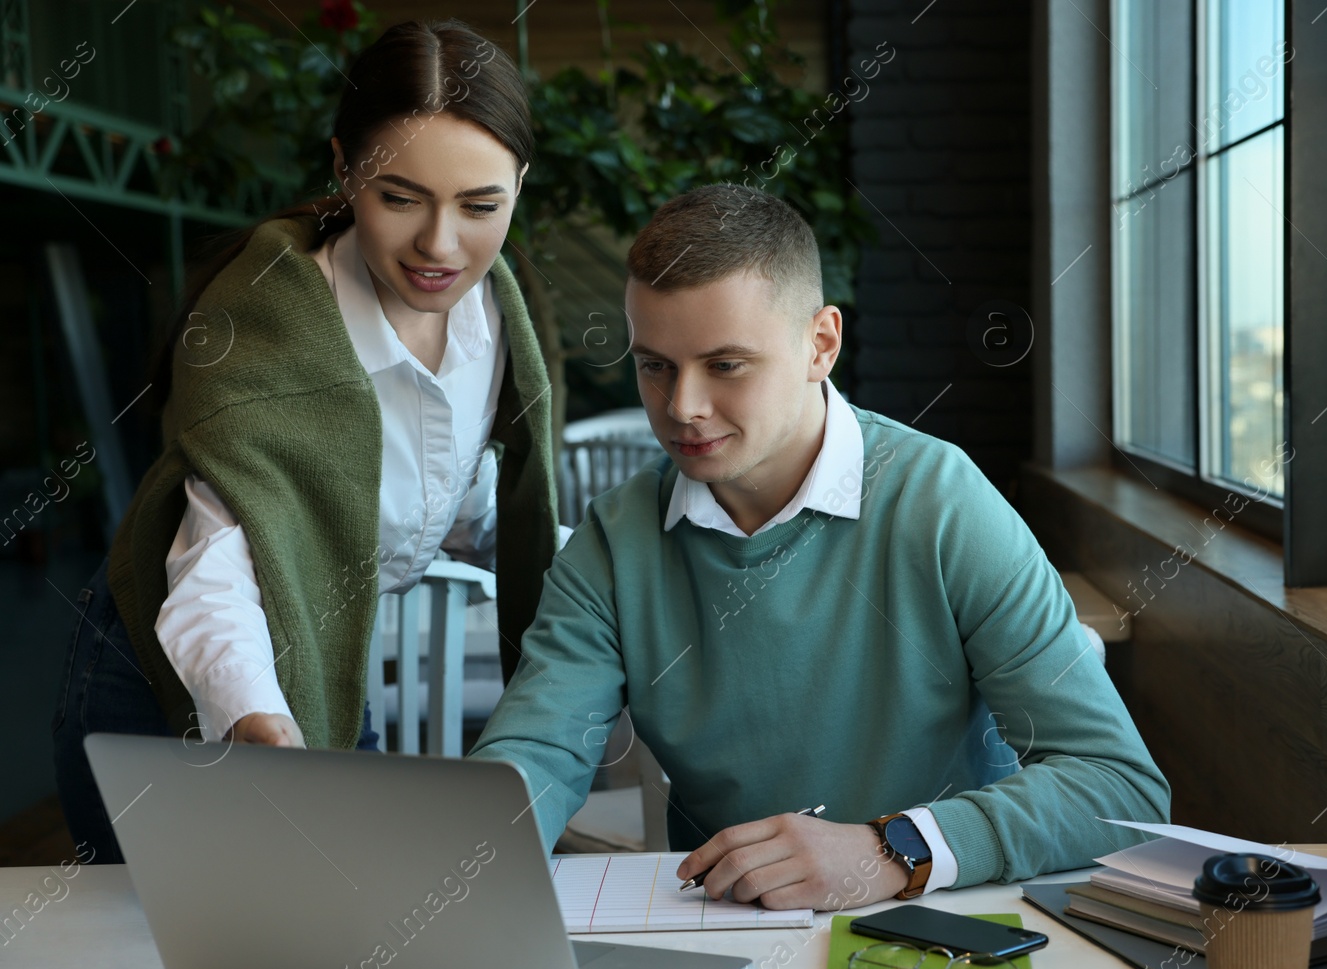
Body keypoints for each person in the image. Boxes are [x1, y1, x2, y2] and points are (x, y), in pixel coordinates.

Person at [468, 183, 1170, 910]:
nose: (683, 407)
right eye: (655, 365)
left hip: (948, 920)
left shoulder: (941, 501)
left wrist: (890, 846)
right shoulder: (615, 541)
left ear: (820, 344)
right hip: (730, 931)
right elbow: (537, 754)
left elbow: (1119, 786)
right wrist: (455, 857)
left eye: (726, 365)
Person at [53, 19, 560, 862]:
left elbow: (457, 506)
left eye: (480, 206)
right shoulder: (273, 320)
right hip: (165, 672)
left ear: (519, 187)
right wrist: (260, 720)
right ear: (343, 168)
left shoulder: (500, 315)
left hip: (322, 654)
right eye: (399, 198)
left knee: (327, 952)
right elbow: (213, 563)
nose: (441, 245)